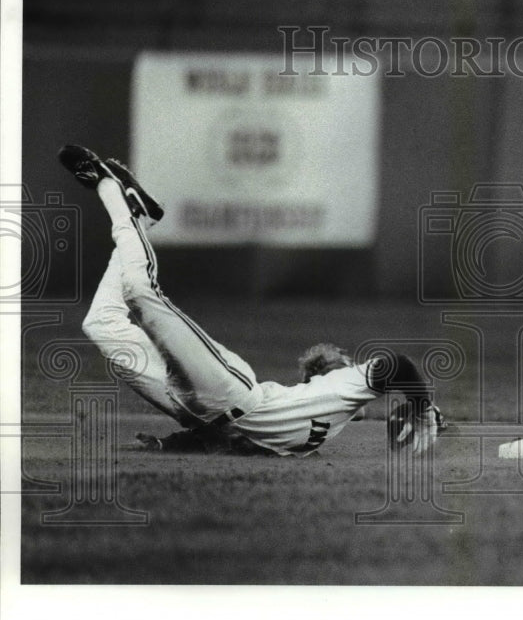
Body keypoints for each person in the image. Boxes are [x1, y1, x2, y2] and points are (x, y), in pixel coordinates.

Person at [59, 144, 445, 457]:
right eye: (343, 364)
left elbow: (231, 442)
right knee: (142, 295)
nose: (351, 368)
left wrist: (169, 444)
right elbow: (397, 365)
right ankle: (113, 191)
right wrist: (425, 409)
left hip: (198, 413)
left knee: (99, 323)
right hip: (231, 393)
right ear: (326, 375)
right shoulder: (339, 385)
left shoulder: (327, 411)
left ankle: (139, 224)